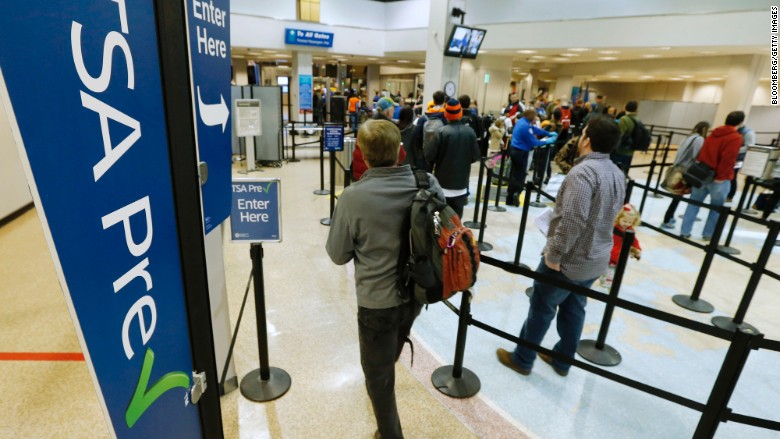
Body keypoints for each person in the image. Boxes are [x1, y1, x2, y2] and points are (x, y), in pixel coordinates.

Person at [326, 119, 445, 439]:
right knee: (394, 339)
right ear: (400, 151)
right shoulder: (427, 181)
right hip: (417, 292)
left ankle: (391, 434)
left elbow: (338, 254)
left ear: (362, 155)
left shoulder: (352, 197)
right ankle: (388, 358)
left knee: (377, 376)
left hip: (376, 303)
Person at [496, 116, 626, 377]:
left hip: (567, 261)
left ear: (587, 139)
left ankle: (523, 358)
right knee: (574, 308)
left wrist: (554, 255)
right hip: (595, 259)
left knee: (542, 307)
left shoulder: (583, 173)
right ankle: (562, 360)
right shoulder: (617, 173)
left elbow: (572, 220)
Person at [680, 111, 745, 240]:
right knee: (716, 208)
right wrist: (721, 177)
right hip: (718, 178)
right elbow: (728, 159)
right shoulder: (735, 137)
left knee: (693, 203)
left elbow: (703, 152)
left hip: (702, 174)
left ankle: (685, 231)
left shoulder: (713, 134)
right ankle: (708, 234)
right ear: (740, 122)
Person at [424, 99, 480, 217]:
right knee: (457, 222)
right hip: (462, 185)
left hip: (443, 186)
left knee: (441, 222)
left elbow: (430, 156)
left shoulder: (441, 132)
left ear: (446, 114)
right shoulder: (470, 132)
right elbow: (475, 157)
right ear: (460, 114)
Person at [661, 121, 710, 229]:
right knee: (678, 196)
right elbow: (696, 156)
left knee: (676, 195)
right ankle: (667, 219)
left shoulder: (688, 137)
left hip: (678, 167)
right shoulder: (699, 139)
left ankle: (670, 217)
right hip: (686, 170)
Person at [505, 109, 556, 206]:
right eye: (535, 118)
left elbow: (534, 129)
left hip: (514, 150)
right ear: (531, 118)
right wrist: (547, 141)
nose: (535, 120)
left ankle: (509, 197)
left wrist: (547, 133)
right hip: (521, 152)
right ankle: (516, 194)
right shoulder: (526, 127)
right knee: (520, 175)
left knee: (514, 173)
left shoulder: (522, 121)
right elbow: (534, 142)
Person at [352, 98, 406, 181]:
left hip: (360, 176)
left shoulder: (366, 126)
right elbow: (401, 155)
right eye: (393, 108)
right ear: (388, 111)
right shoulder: (387, 129)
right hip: (377, 178)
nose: (394, 111)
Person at [600, 204, 642, 288]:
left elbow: (634, 241)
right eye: (624, 221)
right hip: (608, 254)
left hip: (620, 257)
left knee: (615, 272)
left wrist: (637, 250)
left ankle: (609, 283)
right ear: (619, 218)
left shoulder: (630, 230)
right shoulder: (613, 228)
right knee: (606, 270)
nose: (626, 224)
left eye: (630, 222)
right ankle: (604, 281)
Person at [411, 90, 447, 171]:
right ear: (444, 101)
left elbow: (417, 135)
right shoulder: (446, 118)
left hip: (426, 152)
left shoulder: (424, 117)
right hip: (441, 155)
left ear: (433, 101)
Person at [727, 124, 756, 202]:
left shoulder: (748, 133)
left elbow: (749, 146)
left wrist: (734, 149)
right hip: (731, 157)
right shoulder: (734, 130)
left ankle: (730, 196)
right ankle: (728, 194)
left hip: (738, 159)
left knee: (732, 177)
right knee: (729, 176)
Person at [611, 100, 641, 173]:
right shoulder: (638, 119)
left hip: (621, 150)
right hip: (631, 150)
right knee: (624, 171)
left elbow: (619, 135)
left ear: (626, 108)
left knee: (614, 171)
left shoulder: (624, 119)